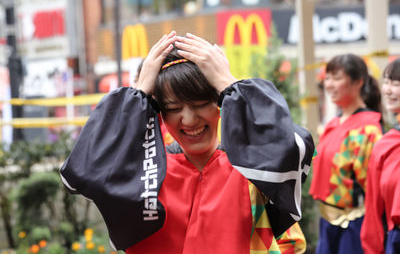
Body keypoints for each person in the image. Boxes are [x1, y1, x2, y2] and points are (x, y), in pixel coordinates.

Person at [60, 31, 315, 253]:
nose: (189, 119)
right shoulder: (143, 174)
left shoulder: (253, 170)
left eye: (201, 103)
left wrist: (229, 83)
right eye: (173, 107)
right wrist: (136, 94)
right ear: (158, 110)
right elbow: (81, 172)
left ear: (220, 101)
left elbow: (293, 148)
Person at [309, 53, 383, 254]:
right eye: (328, 78)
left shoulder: (368, 129)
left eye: (337, 78)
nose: (329, 84)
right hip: (327, 224)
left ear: (358, 82)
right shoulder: (333, 124)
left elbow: (373, 190)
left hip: (353, 228)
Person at [361, 58, 400, 254]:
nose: (388, 90)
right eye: (386, 82)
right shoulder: (385, 144)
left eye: (396, 83)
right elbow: (373, 210)